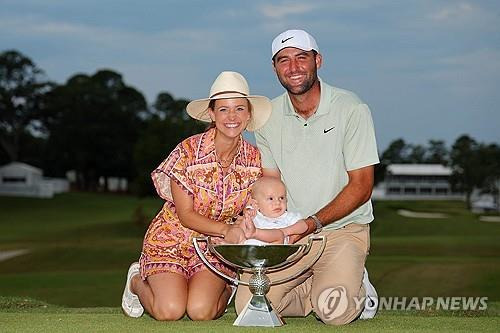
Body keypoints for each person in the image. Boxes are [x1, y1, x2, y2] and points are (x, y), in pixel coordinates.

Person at [235, 29, 380, 325]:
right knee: (250, 306)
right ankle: (315, 285)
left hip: (342, 231)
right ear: (275, 68)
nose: (293, 67)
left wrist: (310, 224)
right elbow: (270, 184)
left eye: (302, 57)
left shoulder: (351, 108)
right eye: (283, 60)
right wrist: (253, 215)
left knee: (335, 313)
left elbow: (362, 186)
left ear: (318, 60)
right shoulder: (267, 116)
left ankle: (356, 285)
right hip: (289, 234)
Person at [122, 71, 272, 321]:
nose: (232, 117)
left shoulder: (255, 160)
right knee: (169, 311)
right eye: (223, 109)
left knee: (201, 311)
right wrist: (227, 229)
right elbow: (186, 215)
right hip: (171, 242)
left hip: (216, 248)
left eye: (239, 109)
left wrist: (245, 224)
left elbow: (253, 207)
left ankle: (228, 285)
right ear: (212, 114)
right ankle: (136, 281)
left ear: (249, 114)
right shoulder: (188, 151)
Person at [243, 176, 308, 245]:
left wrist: (285, 231)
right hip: (251, 250)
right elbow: (246, 213)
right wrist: (248, 212)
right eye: (271, 199)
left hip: (275, 249)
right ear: (256, 204)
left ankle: (255, 233)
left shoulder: (287, 216)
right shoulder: (256, 215)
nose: (278, 202)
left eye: (281, 198)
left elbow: (304, 226)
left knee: (278, 234)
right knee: (237, 227)